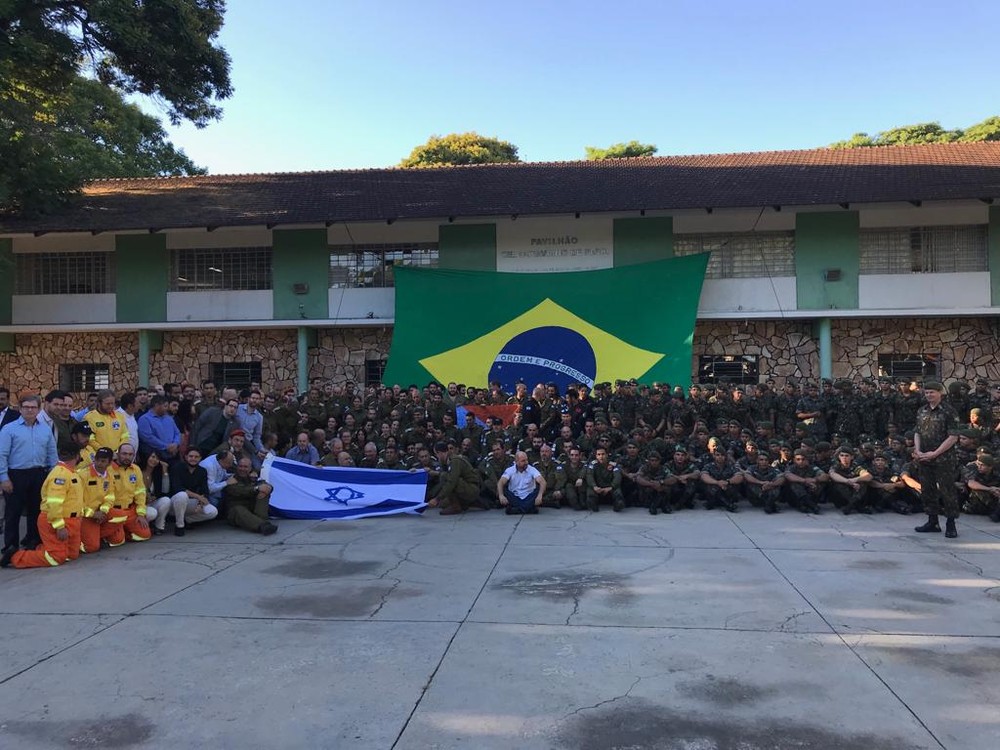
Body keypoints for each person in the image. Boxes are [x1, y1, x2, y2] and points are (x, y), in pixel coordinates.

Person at [1, 448, 83, 569]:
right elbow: (54, 504)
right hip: (55, 521)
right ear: (77, 456)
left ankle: (42, 548)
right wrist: (59, 526)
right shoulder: (60, 475)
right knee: (56, 558)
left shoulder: (70, 472)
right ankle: (15, 557)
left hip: (71, 521)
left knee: (71, 555)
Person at [0, 394, 58, 553]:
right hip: (16, 475)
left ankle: (33, 541)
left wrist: (53, 475)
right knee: (13, 512)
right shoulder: (9, 429)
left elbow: (52, 454)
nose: (30, 410)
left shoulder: (45, 429)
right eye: (26, 407)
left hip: (39, 474)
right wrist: (4, 478)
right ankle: (11, 546)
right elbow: (1, 455)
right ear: (20, 408)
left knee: (36, 511)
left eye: (33, 407)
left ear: (39, 409)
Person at [913, 381, 960, 538]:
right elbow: (917, 432)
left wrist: (935, 453)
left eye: (932, 392)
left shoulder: (949, 411)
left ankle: (951, 524)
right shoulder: (922, 411)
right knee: (927, 490)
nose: (929, 395)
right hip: (924, 457)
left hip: (943, 458)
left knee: (947, 491)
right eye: (926, 392)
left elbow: (953, 436)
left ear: (940, 393)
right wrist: (918, 450)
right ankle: (932, 521)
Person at [153, 447, 218, 536]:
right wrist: (198, 497)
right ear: (186, 457)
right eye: (191, 456)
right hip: (173, 503)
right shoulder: (177, 468)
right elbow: (178, 488)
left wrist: (200, 503)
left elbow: (205, 490)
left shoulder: (202, 471)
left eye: (196, 457)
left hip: (190, 502)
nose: (193, 459)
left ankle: (188, 520)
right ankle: (179, 525)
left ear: (200, 458)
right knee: (182, 495)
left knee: (212, 511)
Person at [106, 443, 153, 544]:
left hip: (130, 510)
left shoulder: (136, 469)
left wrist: (141, 514)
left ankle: (124, 531)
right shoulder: (108, 468)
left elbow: (140, 493)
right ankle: (118, 533)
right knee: (117, 541)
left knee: (145, 535)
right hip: (114, 511)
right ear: (118, 454)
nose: (127, 457)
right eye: (124, 454)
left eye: (130, 454)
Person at [222, 456, 277, 535]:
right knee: (238, 509)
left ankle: (261, 519)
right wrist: (256, 489)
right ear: (237, 467)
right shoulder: (231, 479)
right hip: (235, 512)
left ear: (250, 468)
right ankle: (263, 526)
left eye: (245, 467)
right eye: (240, 466)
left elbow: (267, 485)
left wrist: (267, 488)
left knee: (264, 492)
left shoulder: (253, 478)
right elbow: (239, 491)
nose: (242, 469)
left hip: (252, 509)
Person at [78, 447, 116, 554]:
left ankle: (95, 534)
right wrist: (93, 514)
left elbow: (110, 497)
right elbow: (76, 501)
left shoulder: (109, 476)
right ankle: (79, 541)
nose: (99, 463)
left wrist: (103, 511)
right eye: (97, 459)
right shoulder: (82, 475)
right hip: (84, 515)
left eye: (103, 461)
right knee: (92, 547)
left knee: (122, 517)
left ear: (109, 463)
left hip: (99, 513)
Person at [429, 441, 481, 516]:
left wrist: (437, 498)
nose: (437, 457)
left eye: (436, 454)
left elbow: (452, 481)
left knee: (445, 477)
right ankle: (464, 503)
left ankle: (456, 506)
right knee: (443, 505)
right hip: (465, 486)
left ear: (440, 452)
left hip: (472, 488)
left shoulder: (455, 461)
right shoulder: (447, 461)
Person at [137, 395, 182, 464]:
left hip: (174, 454)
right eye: (165, 406)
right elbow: (148, 438)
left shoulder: (169, 418)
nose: (167, 408)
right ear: (157, 405)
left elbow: (177, 433)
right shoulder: (144, 419)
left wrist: (175, 443)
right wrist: (166, 447)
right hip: (156, 456)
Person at [498, 450, 545, 515]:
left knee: (537, 490)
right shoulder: (510, 470)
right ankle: (529, 509)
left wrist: (540, 496)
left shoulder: (531, 469)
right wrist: (501, 496)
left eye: (526, 460)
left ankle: (515, 509)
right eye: (523, 461)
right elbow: (501, 482)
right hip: (515, 496)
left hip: (528, 496)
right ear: (516, 462)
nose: (526, 462)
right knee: (505, 490)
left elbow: (542, 482)